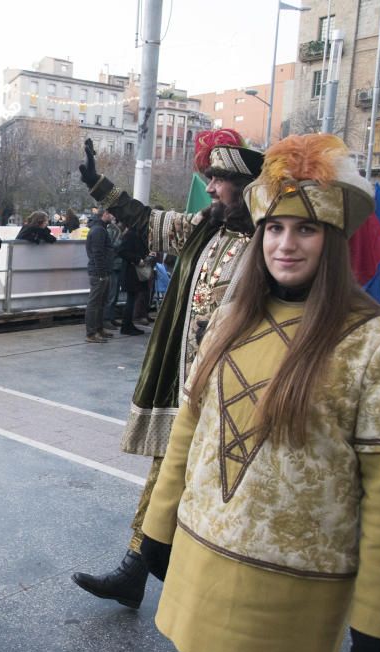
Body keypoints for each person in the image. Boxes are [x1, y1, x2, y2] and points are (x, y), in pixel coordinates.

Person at [140, 133, 380, 652]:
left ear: (332, 239)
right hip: (199, 567)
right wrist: (157, 528)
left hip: (289, 599)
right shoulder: (229, 319)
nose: (284, 244)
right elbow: (191, 431)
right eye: (273, 228)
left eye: (305, 229)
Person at [71, 130, 263, 609]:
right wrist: (99, 185)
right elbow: (143, 217)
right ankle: (137, 567)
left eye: (219, 179)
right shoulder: (205, 225)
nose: (211, 187)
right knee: (165, 471)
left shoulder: (268, 241)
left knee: (214, 486)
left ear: (245, 186)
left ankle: (195, 583)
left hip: (235, 389)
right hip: (186, 380)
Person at [84, 207, 113, 343]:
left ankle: (99, 329)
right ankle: (91, 333)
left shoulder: (100, 229)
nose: (113, 216)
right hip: (98, 272)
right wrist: (102, 273)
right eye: (111, 214)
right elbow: (97, 253)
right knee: (95, 303)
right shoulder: (98, 230)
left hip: (101, 271)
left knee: (101, 302)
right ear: (105, 214)